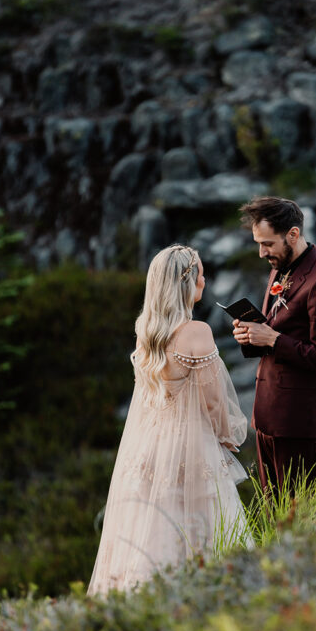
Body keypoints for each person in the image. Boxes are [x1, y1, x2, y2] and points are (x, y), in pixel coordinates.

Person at [88, 244, 249, 595]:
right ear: (185, 282)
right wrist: (228, 435)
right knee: (203, 530)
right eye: (200, 274)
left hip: (149, 451)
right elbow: (214, 401)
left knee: (156, 527)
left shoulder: (147, 333)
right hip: (192, 448)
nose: (204, 281)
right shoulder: (197, 332)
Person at [233, 196, 316, 497]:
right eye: (259, 243)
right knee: (273, 514)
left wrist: (271, 339)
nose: (261, 252)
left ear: (293, 235)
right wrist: (251, 337)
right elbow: (276, 331)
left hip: (299, 423)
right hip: (267, 416)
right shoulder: (279, 268)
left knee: (298, 516)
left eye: (268, 243)